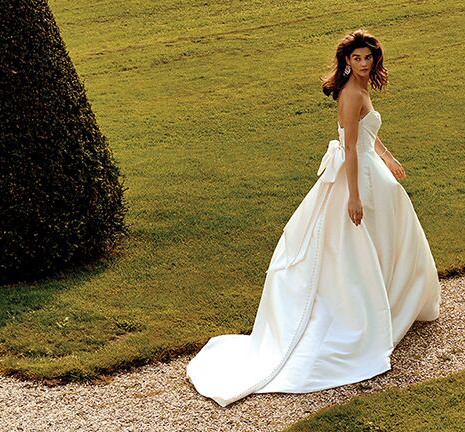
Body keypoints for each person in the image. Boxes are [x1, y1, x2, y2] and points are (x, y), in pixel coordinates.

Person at [186, 29, 441, 407]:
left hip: (374, 171)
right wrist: (354, 197)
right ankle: (366, 315)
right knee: (361, 245)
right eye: (357, 59)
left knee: (390, 239)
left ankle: (393, 299)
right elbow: (350, 147)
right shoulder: (351, 94)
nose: (364, 64)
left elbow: (367, 138)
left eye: (368, 57)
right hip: (361, 179)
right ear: (346, 61)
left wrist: (388, 157)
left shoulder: (362, 90)